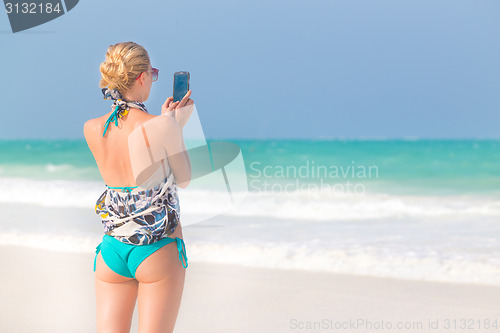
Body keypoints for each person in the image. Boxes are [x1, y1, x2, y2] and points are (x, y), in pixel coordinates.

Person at [83, 41, 193, 333]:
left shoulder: (92, 128)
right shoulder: (163, 126)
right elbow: (183, 178)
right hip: (156, 249)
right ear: (143, 76)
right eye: (152, 74)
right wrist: (176, 126)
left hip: (112, 251)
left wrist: (167, 124)